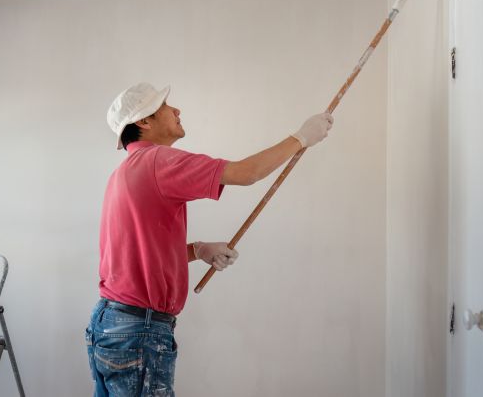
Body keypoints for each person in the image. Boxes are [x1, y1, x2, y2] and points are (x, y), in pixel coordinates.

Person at [85, 82, 333, 396]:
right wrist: (301, 138)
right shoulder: (159, 161)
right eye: (166, 106)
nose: (177, 110)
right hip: (138, 331)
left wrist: (198, 250)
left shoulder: (123, 173)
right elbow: (246, 173)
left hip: (111, 324)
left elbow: (139, 252)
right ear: (144, 122)